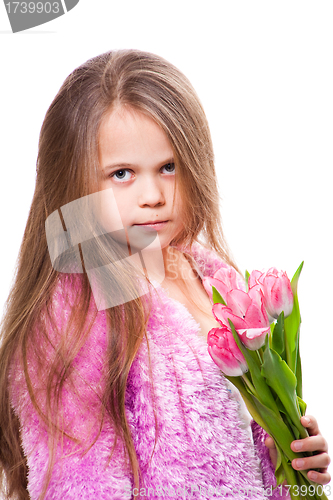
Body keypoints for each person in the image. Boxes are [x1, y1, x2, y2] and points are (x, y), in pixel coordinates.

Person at [0, 49, 330, 500]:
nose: (152, 195)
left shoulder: (214, 279)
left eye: (168, 168)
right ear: (72, 184)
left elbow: (239, 464)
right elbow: (80, 485)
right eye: (122, 173)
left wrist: (292, 468)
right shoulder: (76, 311)